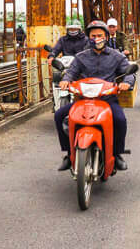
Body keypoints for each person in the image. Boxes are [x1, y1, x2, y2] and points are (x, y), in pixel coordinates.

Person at [56, 20, 134, 172]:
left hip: (107, 99)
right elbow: (71, 72)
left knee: (120, 120)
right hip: (83, 99)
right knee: (59, 115)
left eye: (99, 35)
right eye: (93, 36)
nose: (96, 38)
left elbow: (128, 72)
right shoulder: (81, 57)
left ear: (106, 36)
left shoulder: (116, 56)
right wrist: (65, 80)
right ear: (88, 37)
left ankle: (117, 153)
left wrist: (127, 83)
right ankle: (68, 152)